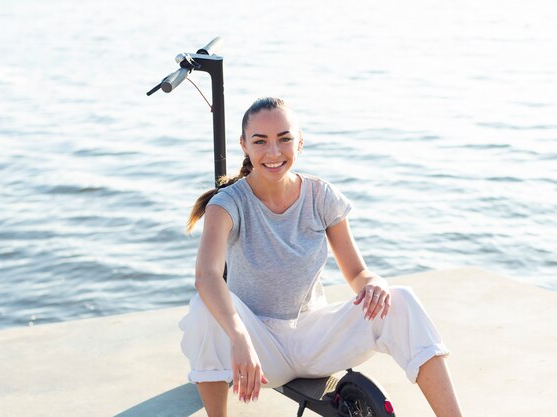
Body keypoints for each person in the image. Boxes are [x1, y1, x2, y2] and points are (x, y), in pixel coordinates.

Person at [179, 97, 464, 417]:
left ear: (299, 142)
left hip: (313, 340)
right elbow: (206, 275)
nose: (273, 152)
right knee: (204, 307)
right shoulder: (227, 203)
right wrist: (239, 337)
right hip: (258, 348)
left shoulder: (321, 195)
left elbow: (357, 272)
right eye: (260, 141)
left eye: (284, 139)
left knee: (401, 299)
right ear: (244, 145)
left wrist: (374, 283)